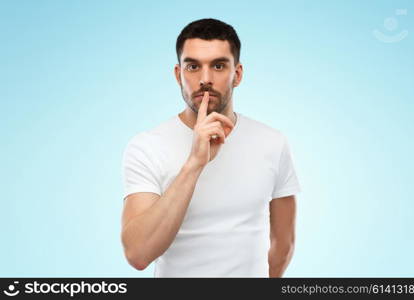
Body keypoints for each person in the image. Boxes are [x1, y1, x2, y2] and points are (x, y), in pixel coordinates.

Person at [121, 18, 302, 277]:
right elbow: (138, 253)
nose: (205, 79)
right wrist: (194, 164)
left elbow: (283, 245)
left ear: (237, 74)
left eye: (218, 66)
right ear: (178, 74)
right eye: (193, 66)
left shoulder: (273, 142)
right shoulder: (147, 145)